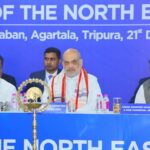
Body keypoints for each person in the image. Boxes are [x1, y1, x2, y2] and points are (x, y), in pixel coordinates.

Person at [50, 48, 103, 113]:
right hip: (59, 121)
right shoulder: (53, 82)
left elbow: (95, 104)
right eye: (67, 63)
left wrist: (75, 114)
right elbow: (45, 105)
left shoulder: (91, 81)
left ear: (81, 63)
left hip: (83, 121)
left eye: (74, 62)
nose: (70, 66)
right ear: (63, 64)